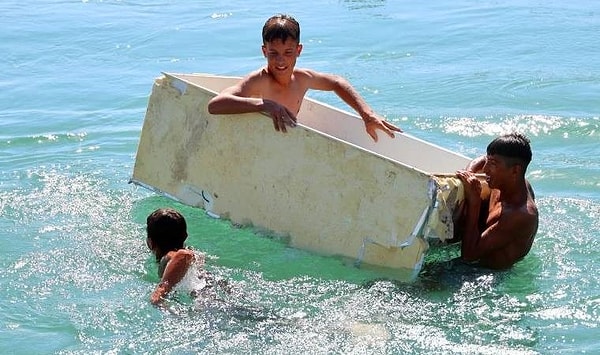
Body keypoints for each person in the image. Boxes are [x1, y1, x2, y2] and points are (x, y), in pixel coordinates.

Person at [207, 13, 402, 142]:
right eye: (273, 53)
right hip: (259, 144)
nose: (280, 60)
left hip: (288, 146)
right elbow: (215, 105)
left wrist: (366, 114)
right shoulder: (259, 80)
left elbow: (337, 82)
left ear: (299, 50)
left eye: (288, 52)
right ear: (264, 51)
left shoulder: (302, 79)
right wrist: (265, 104)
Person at [454, 132, 539, 269]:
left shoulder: (520, 214)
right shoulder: (504, 182)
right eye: (488, 160)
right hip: (473, 257)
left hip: (484, 275)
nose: (486, 169)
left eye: (493, 163)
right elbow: (482, 159)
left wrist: (474, 202)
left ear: (515, 170)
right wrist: (470, 173)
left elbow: (469, 256)